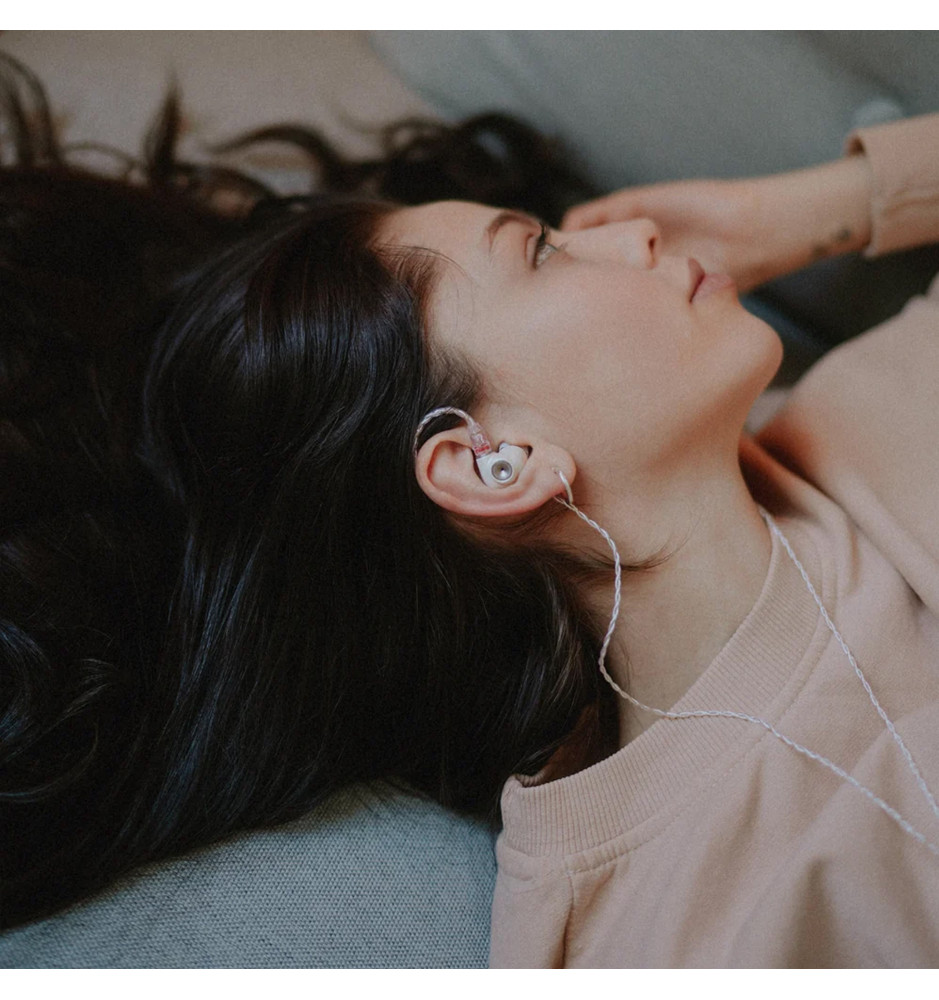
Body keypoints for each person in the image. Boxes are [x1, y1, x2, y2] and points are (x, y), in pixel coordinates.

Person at [1, 53, 938, 966]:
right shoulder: (663, 934)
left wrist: (817, 208)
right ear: (494, 465)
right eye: (542, 252)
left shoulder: (877, 398)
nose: (636, 231)